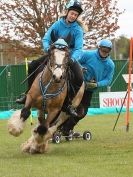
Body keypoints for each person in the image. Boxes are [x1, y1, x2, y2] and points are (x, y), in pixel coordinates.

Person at [16, 0, 85, 117]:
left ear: (77, 16)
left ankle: (67, 104)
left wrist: (73, 59)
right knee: (33, 65)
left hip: (68, 57)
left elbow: (79, 48)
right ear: (67, 12)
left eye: (76, 14)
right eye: (72, 13)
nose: (73, 16)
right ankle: (27, 94)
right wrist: (48, 49)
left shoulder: (78, 30)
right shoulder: (57, 24)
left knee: (79, 77)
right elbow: (46, 39)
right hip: (53, 54)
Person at [60, 39, 115, 135]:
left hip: (89, 89)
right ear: (99, 48)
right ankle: (59, 127)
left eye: (106, 51)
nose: (104, 53)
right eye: (102, 50)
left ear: (109, 51)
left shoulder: (110, 65)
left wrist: (97, 84)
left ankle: (67, 129)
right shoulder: (88, 55)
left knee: (82, 112)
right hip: (76, 85)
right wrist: (80, 68)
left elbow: (108, 80)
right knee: (68, 108)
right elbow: (75, 61)